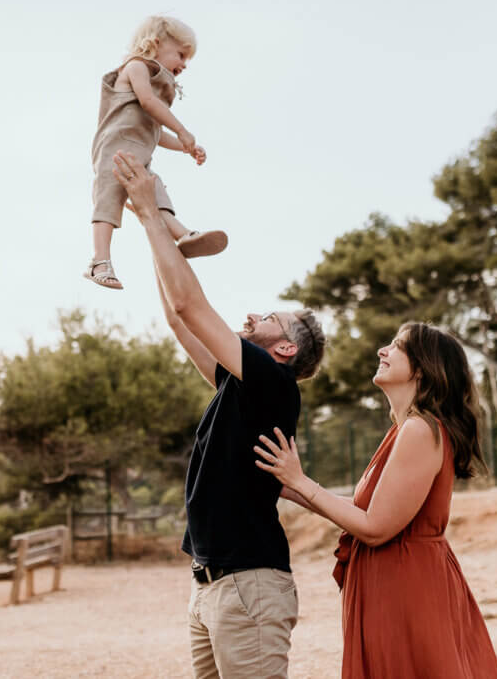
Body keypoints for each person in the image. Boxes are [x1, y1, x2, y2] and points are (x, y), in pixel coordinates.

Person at [112, 151, 326, 678]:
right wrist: (152, 225)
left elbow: (192, 307)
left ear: (284, 350)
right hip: (211, 585)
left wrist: (145, 211)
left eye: (269, 317)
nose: (253, 314)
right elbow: (176, 316)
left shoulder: (273, 385)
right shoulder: (241, 386)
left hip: (249, 586)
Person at [253, 323, 497, 678]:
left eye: (396, 346)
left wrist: (301, 482)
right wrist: (287, 485)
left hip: (406, 587)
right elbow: (364, 510)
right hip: (397, 579)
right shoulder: (405, 429)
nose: (381, 351)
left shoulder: (420, 430)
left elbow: (375, 528)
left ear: (421, 367)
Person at [86, 15, 227, 290]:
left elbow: (154, 132)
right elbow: (150, 103)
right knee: (109, 201)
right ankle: (99, 261)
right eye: (181, 55)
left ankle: (184, 235)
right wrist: (183, 131)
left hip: (140, 159)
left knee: (155, 197)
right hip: (115, 152)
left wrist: (186, 148)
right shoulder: (136, 67)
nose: (184, 65)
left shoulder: (152, 89)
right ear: (156, 43)